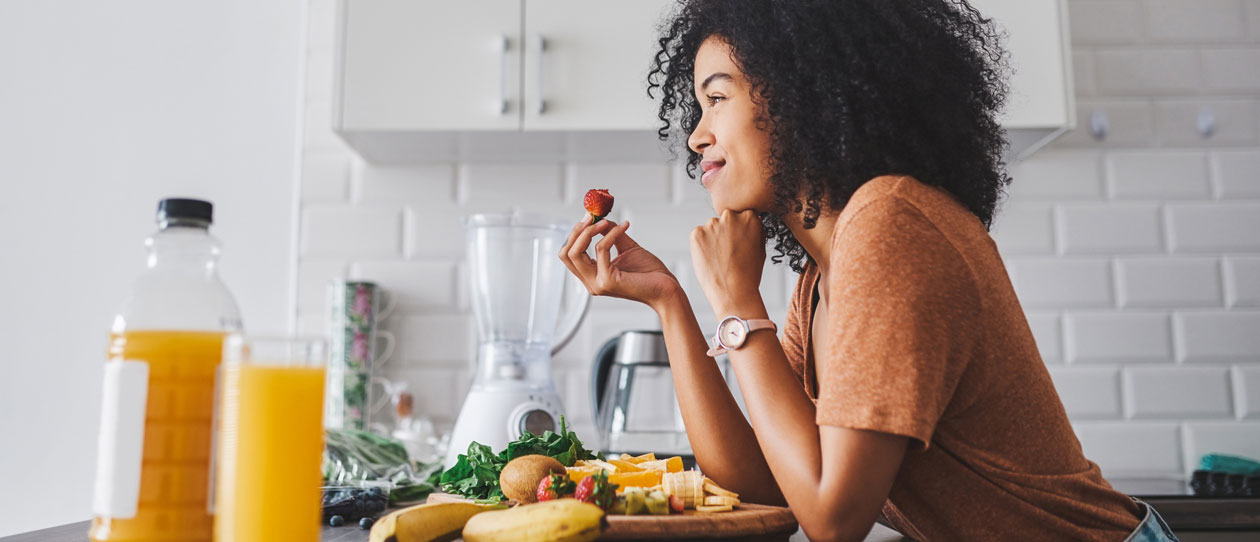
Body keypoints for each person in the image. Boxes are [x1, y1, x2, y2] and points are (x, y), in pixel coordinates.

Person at [559, 1, 1178, 540]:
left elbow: (833, 522)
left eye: (717, 98)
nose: (696, 135)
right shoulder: (819, 279)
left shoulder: (891, 225)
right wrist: (671, 303)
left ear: (801, 93)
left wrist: (739, 304)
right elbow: (769, 488)